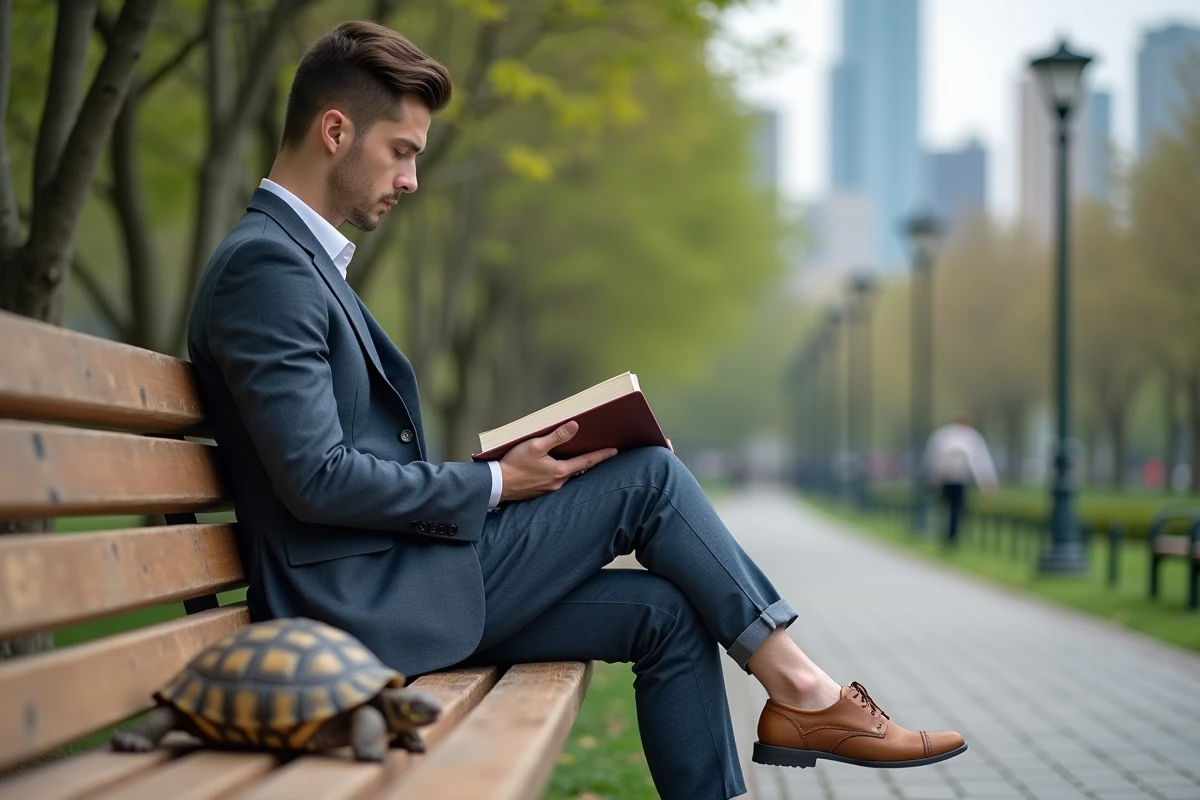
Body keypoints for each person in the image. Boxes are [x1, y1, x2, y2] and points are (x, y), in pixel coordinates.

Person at [185, 21, 965, 799]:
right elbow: (315, 478)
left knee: (665, 611)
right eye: (403, 150)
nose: (412, 178)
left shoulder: (295, 263)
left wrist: (497, 473)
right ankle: (806, 693)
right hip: (359, 609)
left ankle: (791, 710)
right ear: (335, 131)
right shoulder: (269, 268)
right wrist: (493, 485)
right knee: (648, 477)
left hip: (392, 582)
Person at [923, 413, 999, 548]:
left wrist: (931, 478)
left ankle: (950, 536)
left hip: (949, 479)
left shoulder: (943, 435)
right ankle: (951, 535)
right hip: (955, 479)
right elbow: (981, 461)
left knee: (950, 508)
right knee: (955, 508)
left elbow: (932, 458)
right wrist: (987, 482)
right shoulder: (971, 437)